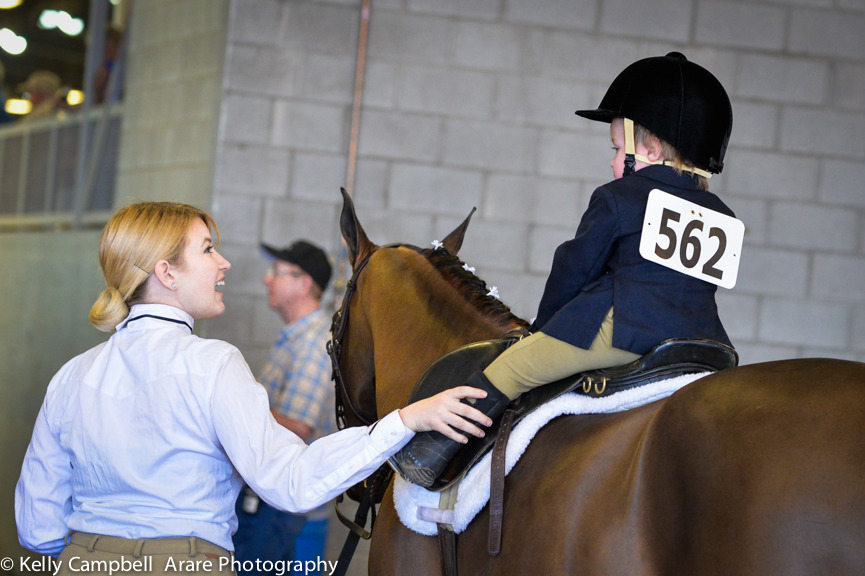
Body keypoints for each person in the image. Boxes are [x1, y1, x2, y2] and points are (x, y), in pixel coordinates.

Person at [15, 201, 494, 575]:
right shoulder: (212, 362)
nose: (223, 263)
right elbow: (291, 482)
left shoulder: (72, 375)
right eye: (207, 249)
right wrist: (407, 420)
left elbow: (36, 528)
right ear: (166, 273)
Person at [391, 52, 736, 488]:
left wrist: (547, 328)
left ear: (648, 148)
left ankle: (428, 455)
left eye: (616, 149)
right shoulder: (724, 217)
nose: (612, 162)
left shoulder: (618, 197)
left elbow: (575, 268)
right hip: (704, 341)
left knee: (508, 369)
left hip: (624, 331)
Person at [232, 240, 336, 573]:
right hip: (276, 504)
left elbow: (299, 426)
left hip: (286, 514)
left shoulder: (312, 344)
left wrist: (233, 404)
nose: (267, 280)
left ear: (304, 284)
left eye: (275, 272)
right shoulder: (296, 338)